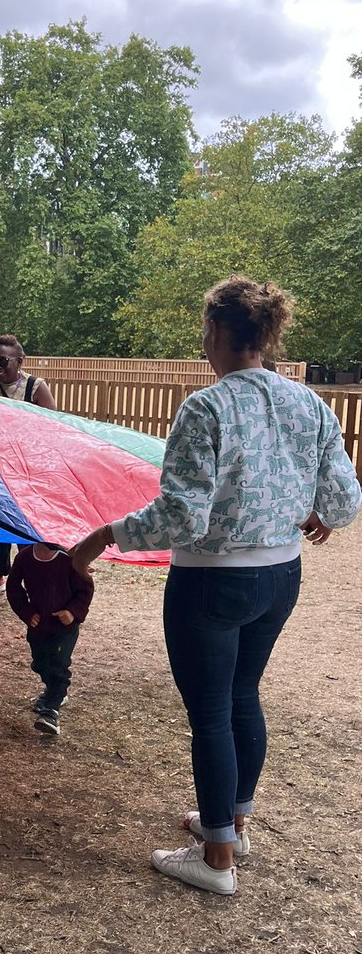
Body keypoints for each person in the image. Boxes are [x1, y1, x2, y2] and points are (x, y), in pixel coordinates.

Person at [69, 276, 361, 896]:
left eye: (205, 328)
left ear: (220, 332)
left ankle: (217, 859)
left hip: (212, 582)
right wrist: (316, 513)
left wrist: (101, 537)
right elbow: (343, 497)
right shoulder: (309, 404)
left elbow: (182, 516)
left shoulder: (206, 407)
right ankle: (232, 824)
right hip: (281, 576)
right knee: (242, 695)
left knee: (210, 715)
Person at [0, 335, 56, 596]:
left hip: (28, 468)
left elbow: (51, 427)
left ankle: (31, 576)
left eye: (3, 361)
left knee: (27, 522)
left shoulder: (36, 388)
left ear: (20, 361)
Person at [6, 542, 94, 736]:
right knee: (40, 663)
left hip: (65, 628)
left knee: (58, 664)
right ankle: (54, 691)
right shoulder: (25, 557)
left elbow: (86, 589)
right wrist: (27, 612)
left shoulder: (71, 559)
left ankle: (51, 711)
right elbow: (13, 588)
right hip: (38, 626)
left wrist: (72, 612)